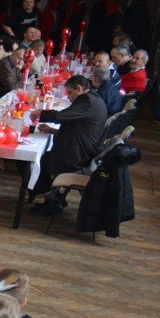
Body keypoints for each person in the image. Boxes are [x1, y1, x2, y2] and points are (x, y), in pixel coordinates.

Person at [31, 75, 107, 215]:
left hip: (78, 155)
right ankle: (54, 196)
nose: (68, 97)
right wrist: (52, 130)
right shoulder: (94, 98)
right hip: (84, 148)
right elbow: (79, 128)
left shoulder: (86, 100)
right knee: (42, 157)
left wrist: (41, 113)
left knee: (35, 161)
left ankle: (51, 200)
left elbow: (61, 116)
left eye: (70, 93)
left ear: (79, 88)